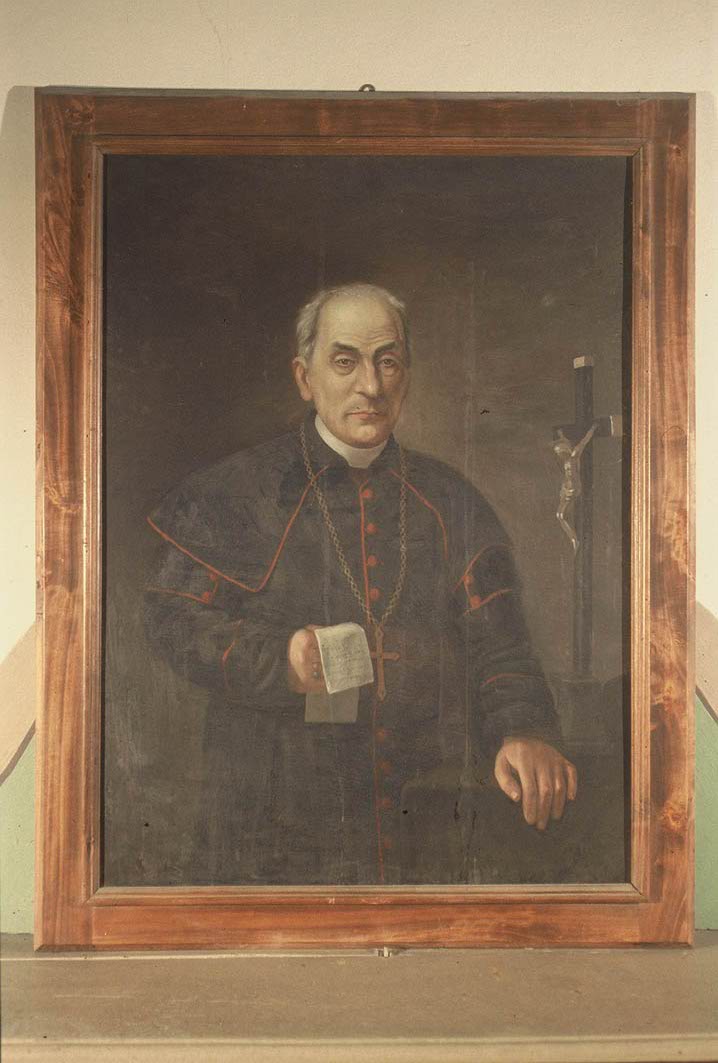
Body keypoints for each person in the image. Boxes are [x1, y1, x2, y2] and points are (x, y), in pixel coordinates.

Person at [144, 283, 577, 885]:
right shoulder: (235, 492)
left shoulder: (451, 501)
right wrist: (280, 659)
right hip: (273, 814)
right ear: (305, 378)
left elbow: (501, 644)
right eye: (345, 362)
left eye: (388, 362)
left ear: (407, 375)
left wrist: (523, 728)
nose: (370, 386)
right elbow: (171, 619)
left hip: (423, 815)